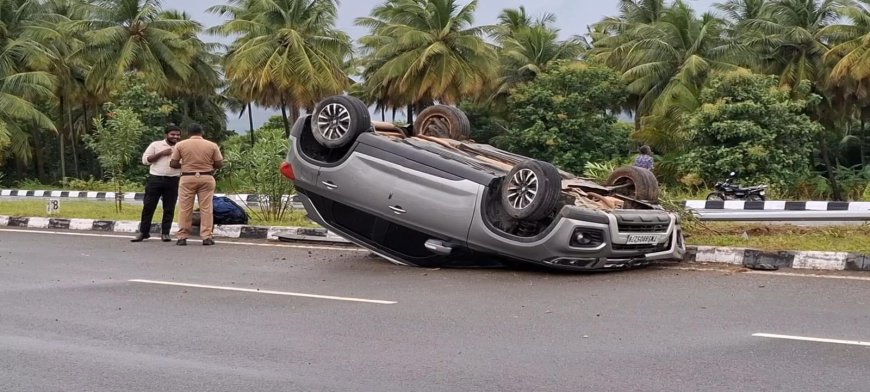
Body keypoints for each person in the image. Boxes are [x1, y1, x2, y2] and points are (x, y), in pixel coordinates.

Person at [170, 123, 224, 246]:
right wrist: (208, 165)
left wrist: (186, 165)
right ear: (202, 133)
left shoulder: (180, 145)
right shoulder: (212, 145)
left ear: (188, 134)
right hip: (206, 177)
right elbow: (219, 163)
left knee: (185, 208)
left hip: (187, 177)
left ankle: (182, 237)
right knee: (206, 208)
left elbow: (173, 163)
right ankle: (206, 236)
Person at [131, 125, 182, 242]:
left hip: (173, 180)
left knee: (169, 208)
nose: (175, 137)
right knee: (148, 206)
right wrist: (161, 153)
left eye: (178, 135)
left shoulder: (181, 147)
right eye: (172, 134)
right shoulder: (155, 145)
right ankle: (143, 232)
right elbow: (145, 160)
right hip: (155, 179)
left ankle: (165, 233)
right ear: (166, 135)